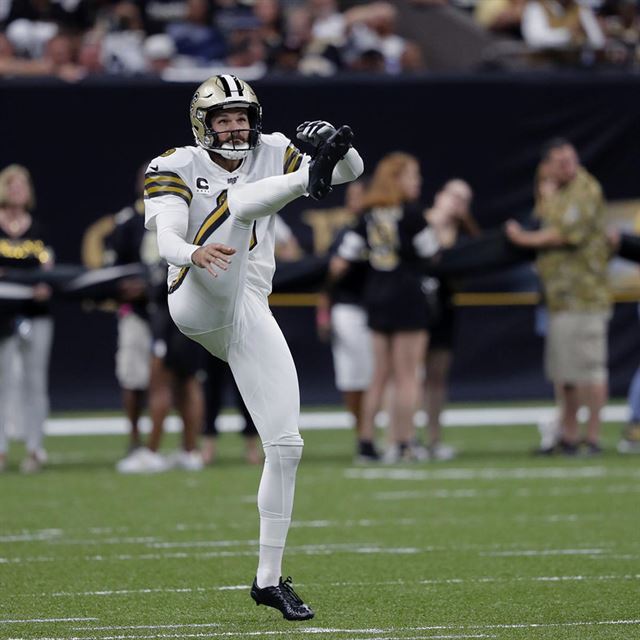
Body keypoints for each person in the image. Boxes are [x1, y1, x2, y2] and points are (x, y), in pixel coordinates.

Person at [144, 74, 363, 620]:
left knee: (287, 444)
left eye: (242, 117)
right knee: (241, 202)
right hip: (196, 293)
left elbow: (353, 172)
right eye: (224, 119)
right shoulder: (175, 164)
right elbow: (167, 237)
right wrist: (190, 255)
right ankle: (302, 180)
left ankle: (268, 580)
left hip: (248, 305)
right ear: (204, 126)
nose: (236, 127)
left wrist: (341, 143)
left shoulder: (271, 149)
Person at [333, 152, 439, 464]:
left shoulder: (367, 214)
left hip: (376, 296)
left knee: (378, 374)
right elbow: (431, 251)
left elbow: (346, 256)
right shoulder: (411, 214)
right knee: (407, 375)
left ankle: (366, 443)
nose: (416, 183)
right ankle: (403, 442)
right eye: (412, 176)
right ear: (396, 179)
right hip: (406, 296)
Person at [506, 138, 611, 455]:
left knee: (590, 370)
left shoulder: (584, 189)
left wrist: (521, 238)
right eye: (560, 162)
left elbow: (562, 233)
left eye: (571, 159)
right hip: (560, 298)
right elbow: (548, 219)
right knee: (565, 373)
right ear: (547, 166)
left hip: (585, 296)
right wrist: (547, 195)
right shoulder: (557, 194)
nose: (568, 166)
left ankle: (591, 438)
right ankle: (567, 436)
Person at [317, 180, 377, 462]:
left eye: (361, 195)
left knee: (375, 378)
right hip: (349, 310)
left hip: (379, 311)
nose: (356, 201)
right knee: (353, 379)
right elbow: (331, 275)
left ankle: (379, 436)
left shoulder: (380, 229)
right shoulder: (347, 234)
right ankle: (363, 436)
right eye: (352, 196)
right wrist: (323, 312)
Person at [0, 164, 54, 473]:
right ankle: (2, 449)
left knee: (35, 381)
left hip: (36, 313)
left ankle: (34, 448)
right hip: (2, 315)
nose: (18, 190)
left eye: (23, 185)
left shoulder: (38, 229)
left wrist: (43, 284)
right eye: (13, 184)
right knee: (3, 381)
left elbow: (47, 266)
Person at [423, 179, 480, 460]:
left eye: (465, 200)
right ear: (440, 195)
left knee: (437, 377)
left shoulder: (463, 233)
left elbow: (474, 261)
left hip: (443, 308)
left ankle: (434, 438)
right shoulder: (421, 223)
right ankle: (403, 437)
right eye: (455, 196)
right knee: (407, 376)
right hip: (415, 308)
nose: (458, 203)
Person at [103, 165, 153, 454]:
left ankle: (188, 444)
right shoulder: (128, 222)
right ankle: (135, 437)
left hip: (176, 312)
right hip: (135, 311)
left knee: (182, 378)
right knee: (133, 377)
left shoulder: (182, 215)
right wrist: (128, 287)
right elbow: (113, 269)